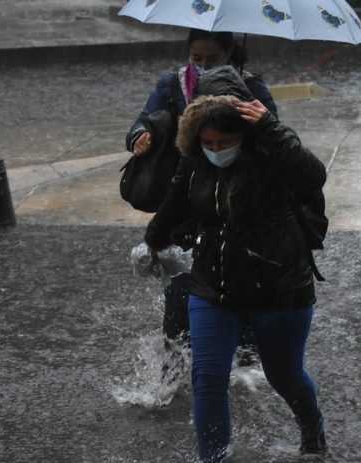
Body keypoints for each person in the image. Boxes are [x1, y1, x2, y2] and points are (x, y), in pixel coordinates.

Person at [143, 92, 327, 462]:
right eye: (208, 142)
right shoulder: (195, 161)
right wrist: (150, 241)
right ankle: (212, 457)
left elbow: (314, 175)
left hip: (279, 288)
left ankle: (313, 430)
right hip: (214, 285)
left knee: (285, 376)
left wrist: (271, 128)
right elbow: (176, 200)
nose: (216, 149)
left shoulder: (271, 157)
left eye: (225, 143)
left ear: (243, 136)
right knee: (208, 378)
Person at [126, 29, 277, 358]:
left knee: (239, 278)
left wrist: (258, 124)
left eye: (213, 60)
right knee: (181, 288)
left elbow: (275, 137)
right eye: (197, 59)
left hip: (237, 205)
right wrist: (141, 136)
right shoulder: (173, 84)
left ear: (229, 54)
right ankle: (176, 358)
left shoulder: (249, 86)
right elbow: (142, 122)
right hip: (186, 202)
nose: (204, 66)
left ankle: (245, 354)